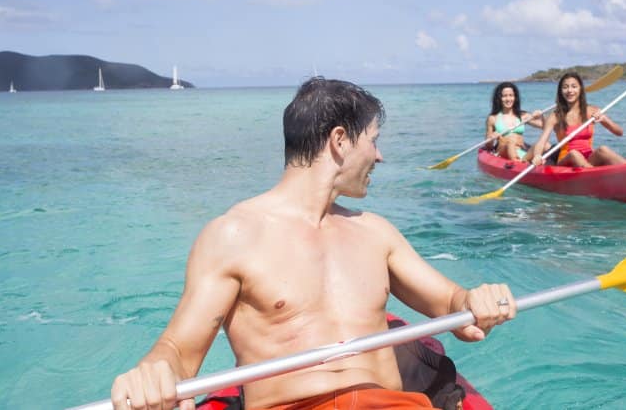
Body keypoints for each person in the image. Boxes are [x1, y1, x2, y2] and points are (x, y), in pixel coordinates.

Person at [111, 77, 516, 410]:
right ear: (340, 140)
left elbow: (450, 302)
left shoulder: (376, 232)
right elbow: (178, 350)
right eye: (373, 140)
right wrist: (154, 371)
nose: (379, 156)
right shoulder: (234, 235)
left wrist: (477, 302)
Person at [531, 72, 626, 168]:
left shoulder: (592, 111)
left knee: (603, 149)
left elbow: (619, 132)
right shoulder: (555, 116)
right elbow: (542, 141)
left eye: (574, 86)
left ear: (580, 89)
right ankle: (592, 177)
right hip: (566, 160)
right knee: (574, 154)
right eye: (565, 87)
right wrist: (537, 156)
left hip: (588, 158)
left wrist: (604, 120)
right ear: (561, 91)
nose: (569, 90)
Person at [484, 82, 544, 162]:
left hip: (521, 150)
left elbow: (545, 127)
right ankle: (518, 162)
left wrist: (541, 117)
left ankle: (526, 160)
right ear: (499, 98)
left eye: (511, 95)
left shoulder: (523, 116)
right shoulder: (493, 118)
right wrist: (492, 138)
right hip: (503, 151)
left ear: (515, 97)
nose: (508, 99)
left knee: (543, 144)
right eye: (504, 96)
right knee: (511, 140)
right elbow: (488, 147)